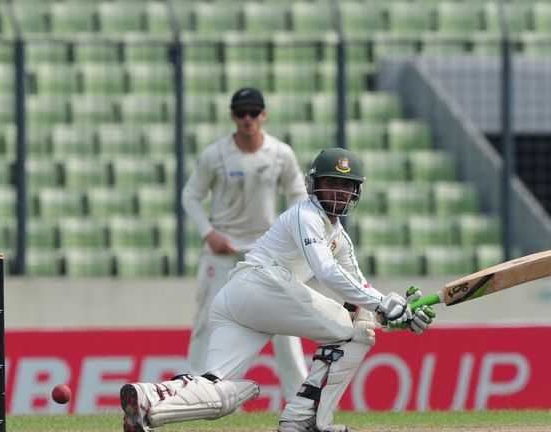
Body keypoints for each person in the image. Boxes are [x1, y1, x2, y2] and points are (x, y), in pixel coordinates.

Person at [121, 148, 437, 432]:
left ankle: (146, 398)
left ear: (357, 191)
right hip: (261, 286)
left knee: (215, 390)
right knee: (353, 332)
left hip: (238, 299)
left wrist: (400, 315)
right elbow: (327, 272)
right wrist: (383, 304)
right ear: (315, 185)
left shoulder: (338, 235)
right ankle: (302, 418)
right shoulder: (307, 215)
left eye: (346, 186)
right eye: (332, 184)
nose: (339, 193)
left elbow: (359, 288)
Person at [181, 87, 309, 404]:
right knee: (208, 324)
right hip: (221, 254)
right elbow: (190, 196)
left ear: (264, 115)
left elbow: (299, 196)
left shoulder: (280, 153)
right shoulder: (216, 154)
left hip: (264, 256)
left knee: (285, 325)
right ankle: (199, 398)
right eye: (241, 113)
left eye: (254, 112)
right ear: (233, 116)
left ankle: (299, 401)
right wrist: (209, 234)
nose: (248, 118)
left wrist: (285, 231)